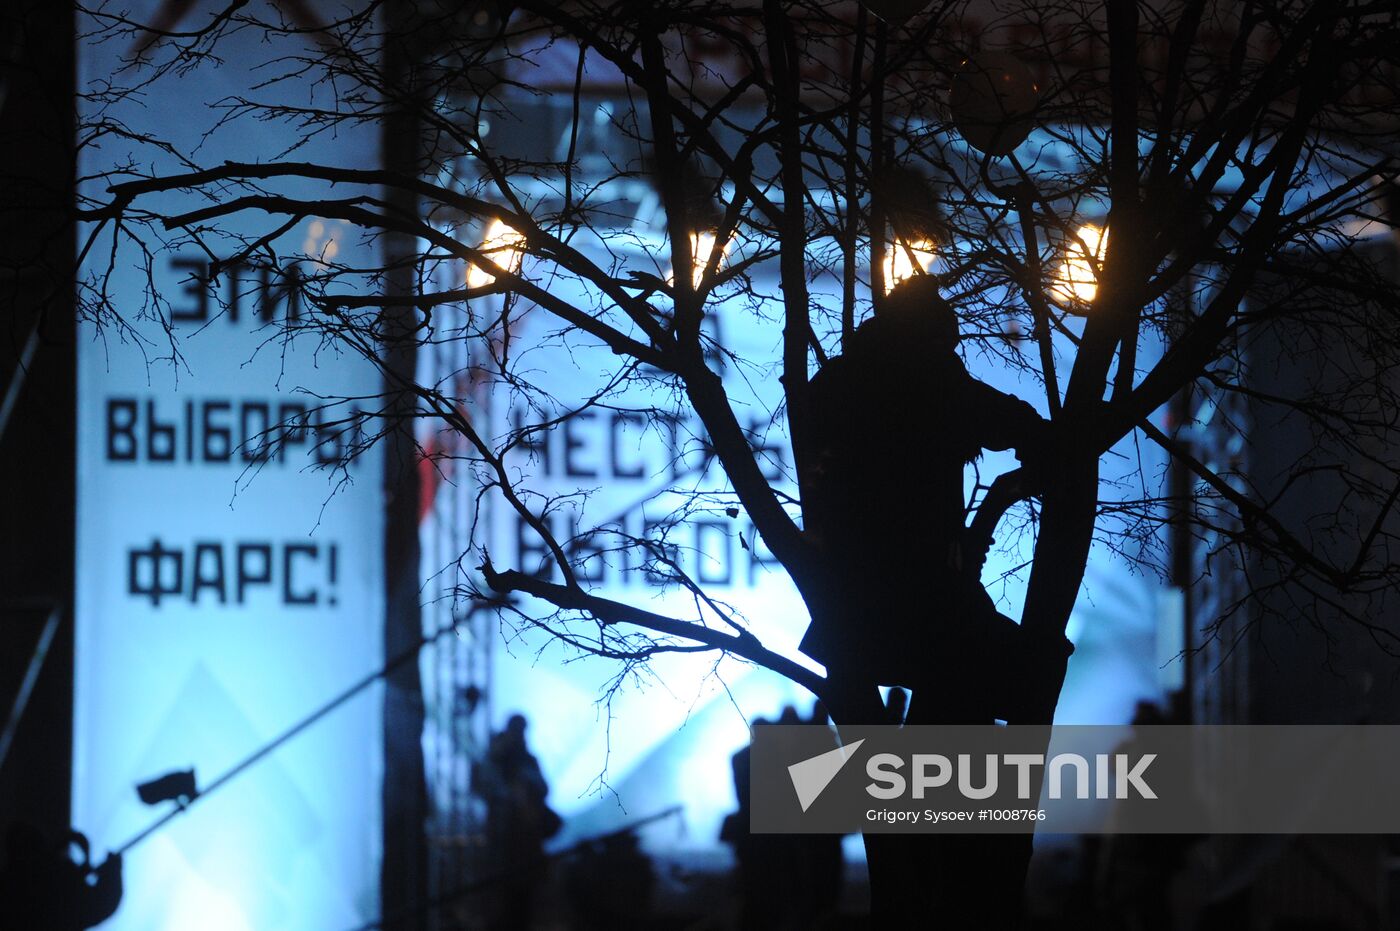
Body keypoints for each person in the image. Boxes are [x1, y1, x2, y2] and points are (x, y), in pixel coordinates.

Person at [800, 276, 1049, 721]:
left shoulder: (841, 380)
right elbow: (1004, 418)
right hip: (917, 583)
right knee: (990, 678)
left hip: (856, 581)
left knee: (972, 685)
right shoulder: (927, 378)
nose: (950, 354)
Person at [471, 714, 560, 930]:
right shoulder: (497, 758)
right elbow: (481, 786)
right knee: (501, 907)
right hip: (502, 848)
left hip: (522, 851)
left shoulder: (527, 760)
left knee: (520, 909)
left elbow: (543, 789)